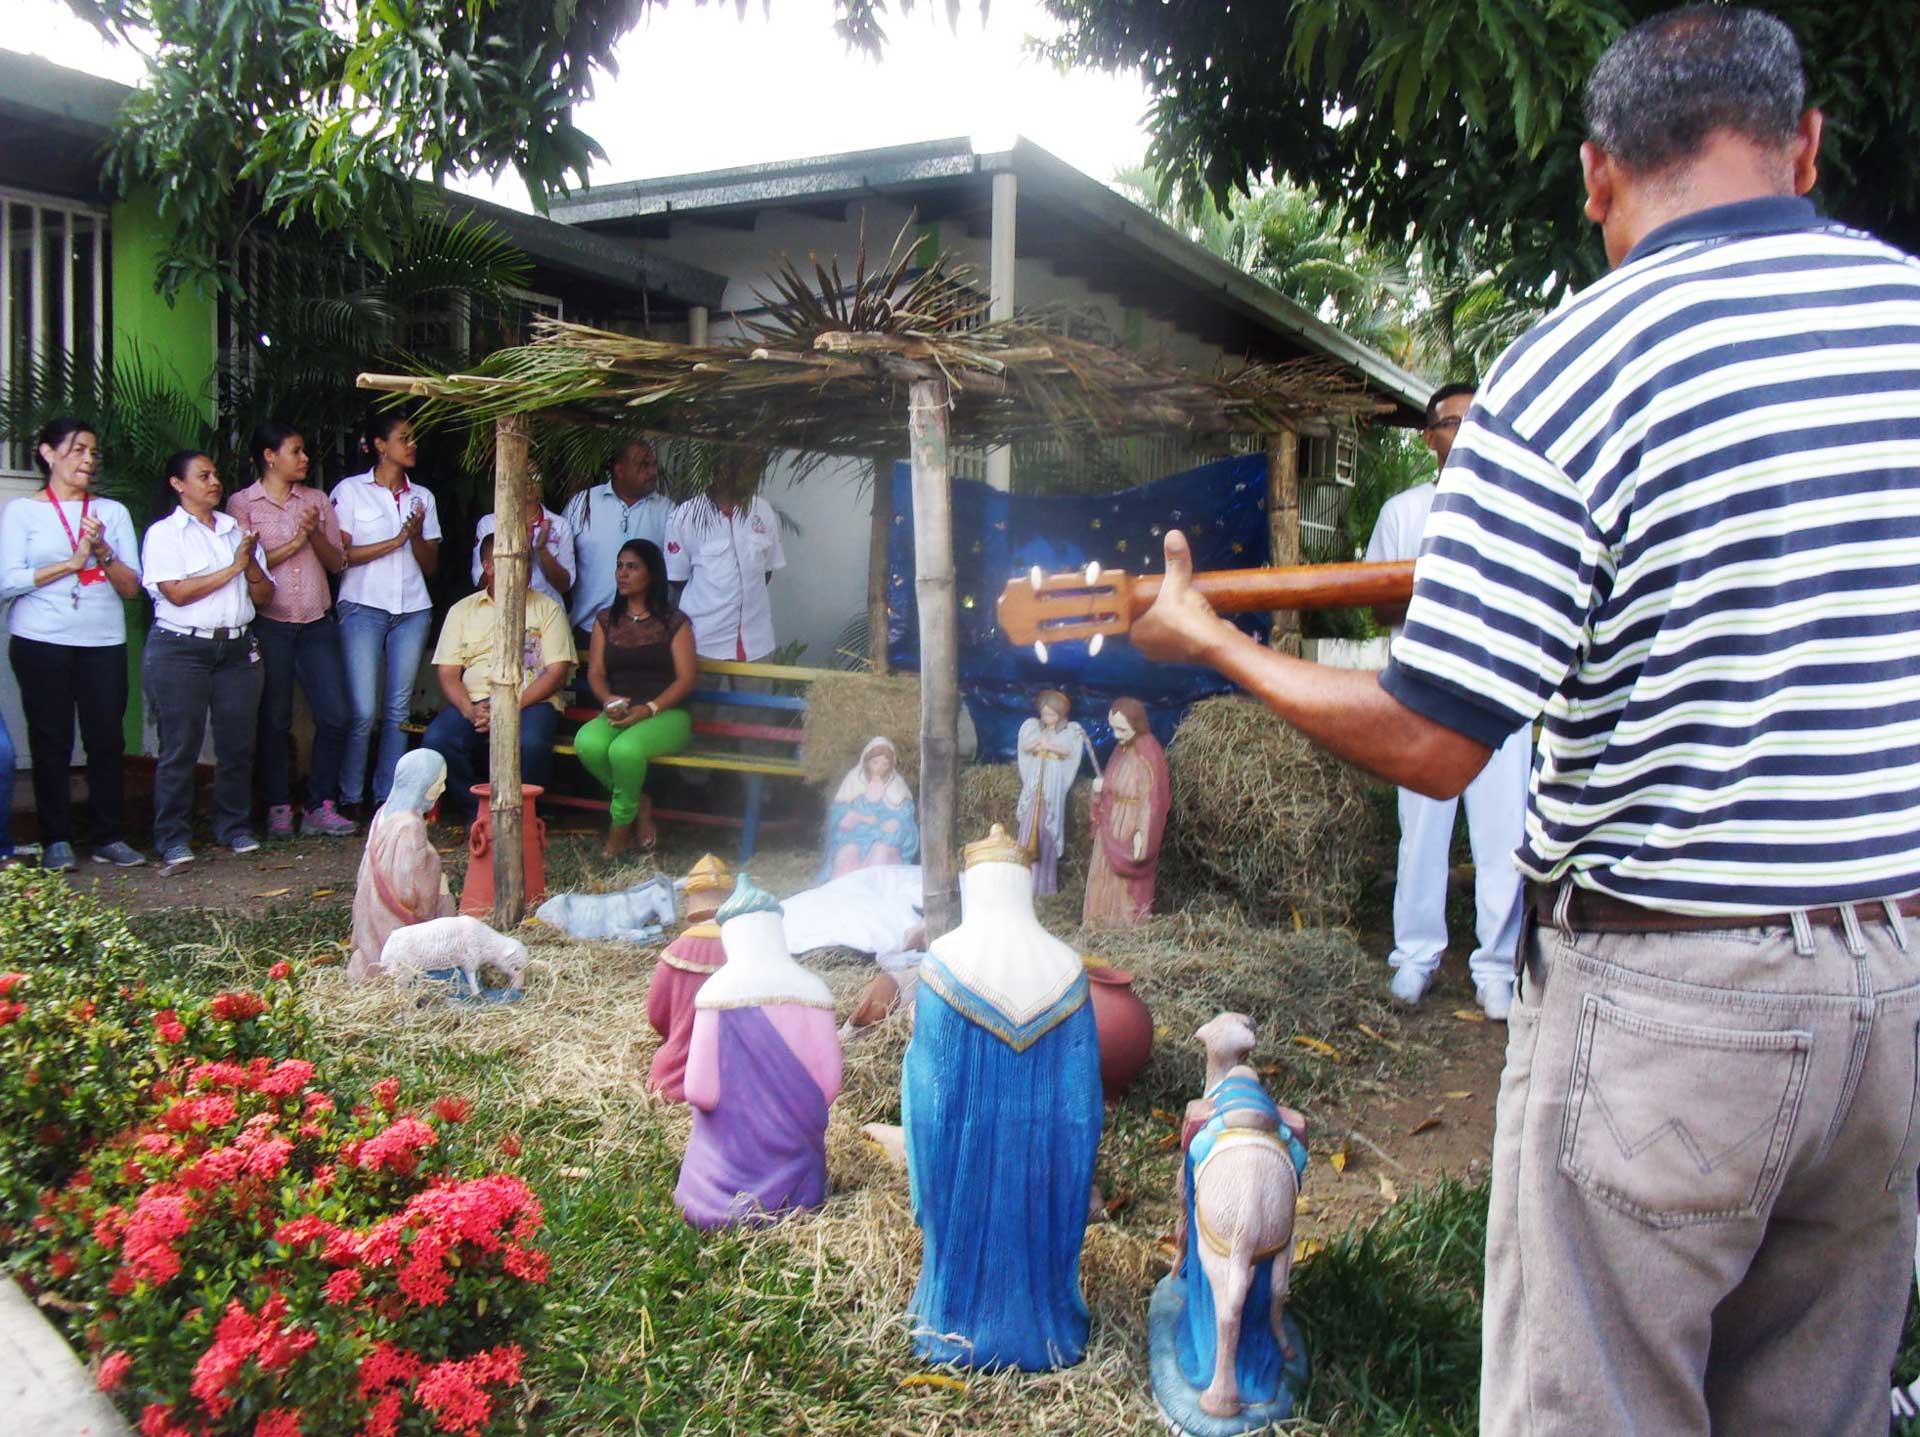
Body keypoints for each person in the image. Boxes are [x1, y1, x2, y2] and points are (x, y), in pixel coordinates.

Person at [1125, 9, 1920, 1432]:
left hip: (1680, 1002)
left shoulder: (1573, 373)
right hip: (1898, 987)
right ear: (1805, 145)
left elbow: (1432, 735)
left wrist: (1208, 640)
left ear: (1598, 176)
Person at [1364, 384, 1532, 1019]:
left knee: (1502, 835)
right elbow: (1377, 604)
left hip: (1501, 693)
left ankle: (1496, 966)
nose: (1466, 432)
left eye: (1478, 421)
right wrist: (1449, 595)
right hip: (1424, 692)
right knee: (1422, 833)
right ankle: (1415, 957)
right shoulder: (1405, 511)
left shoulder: (1516, 512)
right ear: (1428, 436)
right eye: (1453, 422)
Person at [0, 417, 144, 870]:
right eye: (78, 449)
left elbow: (131, 588)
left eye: (93, 452)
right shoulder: (23, 512)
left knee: (106, 739)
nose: (87, 459)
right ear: (48, 453)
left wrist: (103, 553)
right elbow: (7, 581)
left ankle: (108, 836)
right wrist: (71, 563)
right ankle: (56, 838)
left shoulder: (113, 513)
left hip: (102, 639)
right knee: (51, 738)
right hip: (40, 638)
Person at [675, 875, 842, 1230]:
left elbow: (700, 1091)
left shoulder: (716, 993)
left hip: (722, 1187)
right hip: (801, 1180)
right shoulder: (815, 990)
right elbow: (828, 1086)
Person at [140, 450, 274, 870]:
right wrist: (233, 568)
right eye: (203, 476)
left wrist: (249, 564)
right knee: (180, 746)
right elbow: (176, 592)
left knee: (238, 744)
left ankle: (233, 826)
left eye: (216, 474)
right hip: (181, 650)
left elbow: (265, 595)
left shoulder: (238, 531)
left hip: (236, 649)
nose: (214, 482)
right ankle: (173, 837)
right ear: (178, 485)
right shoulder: (165, 534)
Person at [227, 421, 357, 839]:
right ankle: (278, 806)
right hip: (271, 624)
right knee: (275, 718)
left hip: (317, 623)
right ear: (270, 456)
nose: (304, 459)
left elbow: (337, 562)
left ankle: (321, 804)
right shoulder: (243, 504)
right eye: (295, 451)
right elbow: (247, 563)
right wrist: (296, 541)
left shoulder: (317, 500)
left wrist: (314, 532)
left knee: (336, 714)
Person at [422, 533, 576, 825]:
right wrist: (471, 710)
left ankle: (525, 816)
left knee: (531, 743)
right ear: (488, 567)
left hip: (530, 701)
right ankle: (477, 814)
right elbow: (448, 673)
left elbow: (556, 674)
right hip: (476, 702)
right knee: (438, 739)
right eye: (515, 561)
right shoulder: (462, 610)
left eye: (527, 562)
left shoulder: (547, 609)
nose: (525, 569)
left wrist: (506, 708)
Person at [331, 413, 441, 815]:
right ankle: (349, 795)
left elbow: (431, 565)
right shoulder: (350, 491)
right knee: (362, 709)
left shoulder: (423, 497)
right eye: (403, 438)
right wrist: (396, 539)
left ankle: (387, 797)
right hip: (362, 605)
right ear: (379, 445)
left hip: (412, 608)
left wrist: (413, 537)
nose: (412, 444)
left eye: (413, 438)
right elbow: (341, 556)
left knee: (396, 709)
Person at [574, 538, 695, 856]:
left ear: (652, 574)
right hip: (619, 710)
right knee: (588, 742)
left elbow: (685, 680)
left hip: (666, 713)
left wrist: (649, 708)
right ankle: (641, 802)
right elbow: (596, 673)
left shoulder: (675, 622)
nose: (622, 574)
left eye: (632, 567)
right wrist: (607, 700)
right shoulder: (606, 620)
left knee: (625, 751)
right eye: (619, 566)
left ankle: (618, 832)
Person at [348, 748, 457, 981]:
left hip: (369, 916)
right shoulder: (410, 827)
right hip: (393, 927)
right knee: (448, 908)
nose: (442, 789)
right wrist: (438, 884)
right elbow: (412, 895)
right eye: (439, 782)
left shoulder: (382, 815)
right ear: (423, 784)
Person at [663, 457, 785, 663]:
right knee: (701, 697)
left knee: (756, 697)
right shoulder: (685, 515)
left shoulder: (763, 510)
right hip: (703, 642)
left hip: (757, 642)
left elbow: (766, 572)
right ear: (722, 468)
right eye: (748, 468)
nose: (754, 476)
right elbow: (677, 580)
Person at [564, 439, 671, 648]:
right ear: (620, 470)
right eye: (643, 465)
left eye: (653, 464)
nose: (652, 471)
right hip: (587, 629)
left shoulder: (668, 511)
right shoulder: (583, 503)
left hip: (645, 632)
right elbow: (560, 561)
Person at [1082, 698, 1169, 928]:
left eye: (1122, 728)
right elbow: (1112, 782)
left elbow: (1154, 798)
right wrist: (1100, 789)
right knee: (1104, 874)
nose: (1116, 734)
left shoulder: (1149, 751)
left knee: (1126, 884)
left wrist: (1143, 832)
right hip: (1112, 821)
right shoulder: (1120, 749)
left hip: (1131, 824)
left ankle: (1125, 925)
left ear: (1136, 724)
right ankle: (1099, 922)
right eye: (1113, 728)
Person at [1014, 689, 1096, 896]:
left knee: (1045, 827)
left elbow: (1068, 750)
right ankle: (1023, 880)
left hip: (1051, 781)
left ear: (1060, 715)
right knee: (1028, 823)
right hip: (1035, 781)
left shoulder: (1069, 732)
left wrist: (1050, 746)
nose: (1047, 718)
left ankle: (1043, 884)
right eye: (1044, 714)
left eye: (1051, 714)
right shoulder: (1034, 728)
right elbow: (1025, 747)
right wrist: (1037, 744)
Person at [819, 735, 919, 880]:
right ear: (866, 762)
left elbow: (906, 814)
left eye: (885, 764)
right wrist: (857, 817)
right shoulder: (854, 780)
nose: (880, 768)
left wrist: (897, 822)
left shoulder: (896, 784)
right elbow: (839, 811)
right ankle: (843, 891)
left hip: (884, 834)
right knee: (847, 853)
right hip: (856, 832)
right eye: (875, 762)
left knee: (881, 852)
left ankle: (875, 891)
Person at [469, 490, 575, 606]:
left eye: (534, 476)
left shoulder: (560, 525)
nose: (529, 483)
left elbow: (565, 586)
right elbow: (481, 582)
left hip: (547, 612)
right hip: (501, 609)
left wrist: (542, 550)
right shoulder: (489, 523)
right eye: (524, 475)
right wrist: (516, 548)